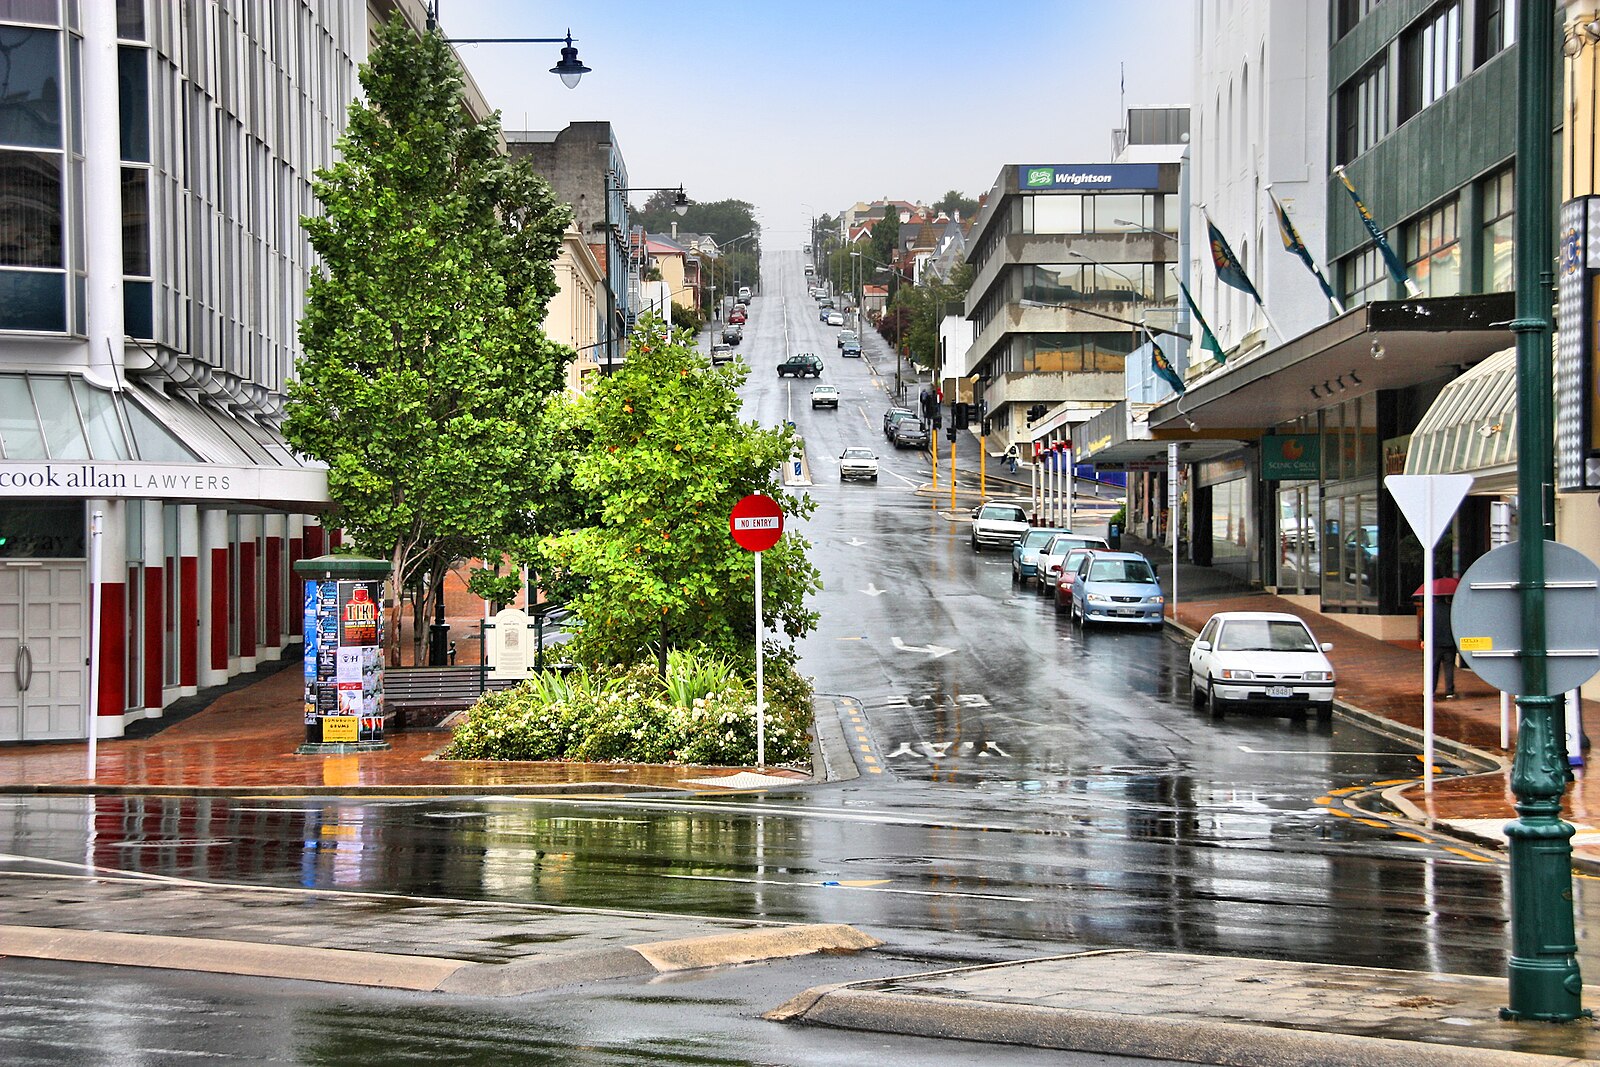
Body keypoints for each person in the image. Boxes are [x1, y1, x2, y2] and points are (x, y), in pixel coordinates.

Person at [1433, 593, 1457, 699]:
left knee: (1433, 667)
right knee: (1449, 668)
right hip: (1449, 644)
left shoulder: (1431, 610)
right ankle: (1449, 691)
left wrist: (1422, 638)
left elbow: (1423, 624)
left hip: (1435, 644)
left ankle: (1431, 689)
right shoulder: (1451, 609)